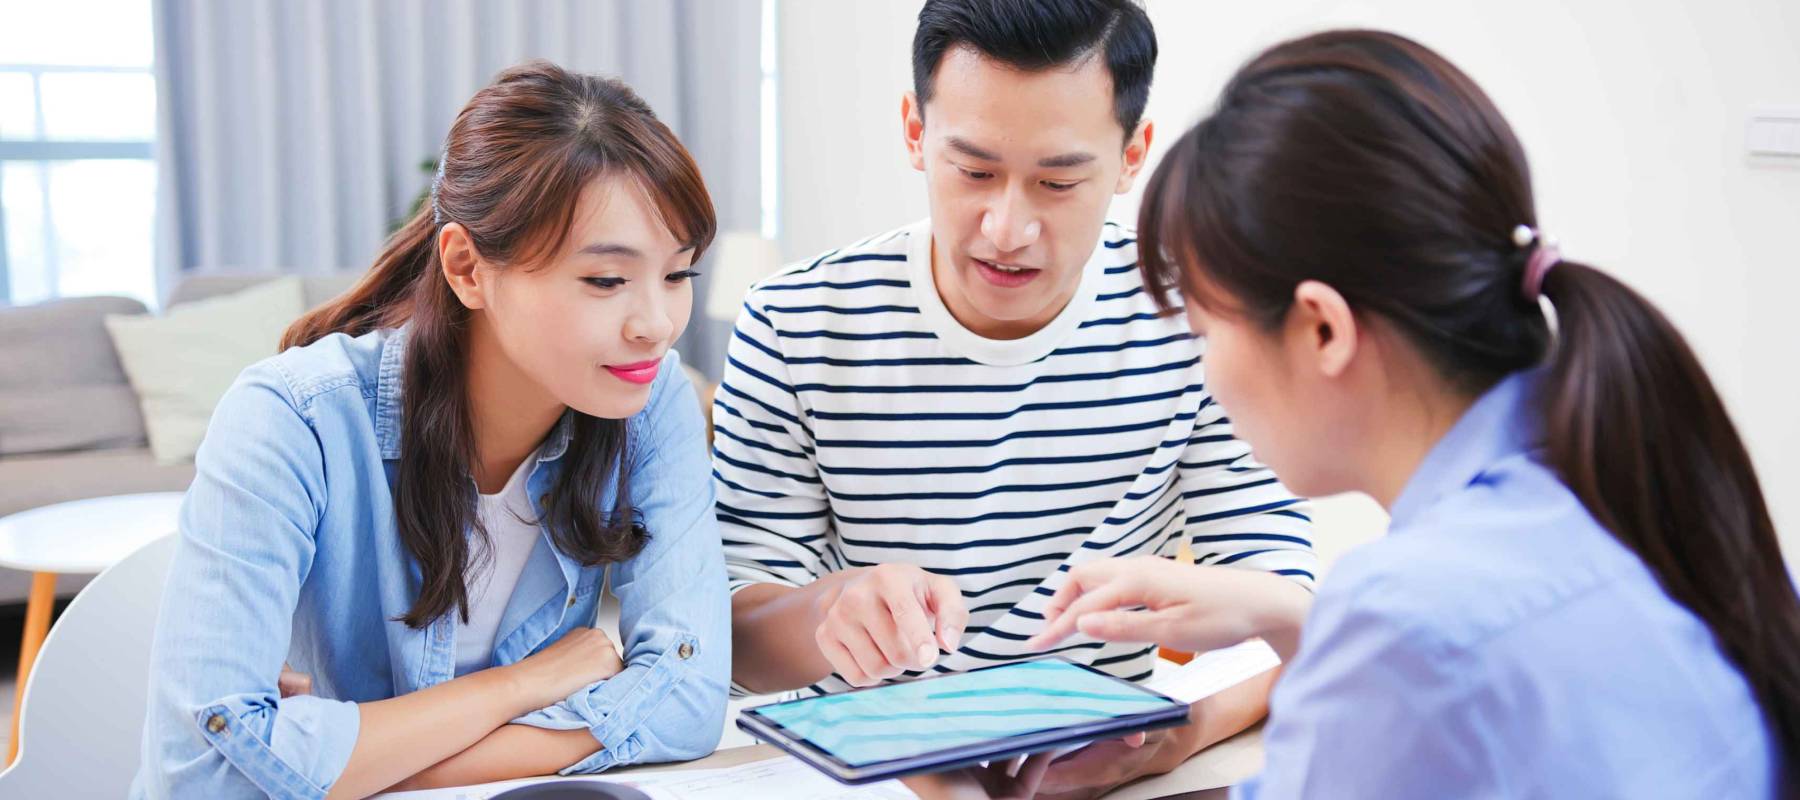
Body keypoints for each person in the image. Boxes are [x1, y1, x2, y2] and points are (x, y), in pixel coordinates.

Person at [1018, 29, 1796, 798]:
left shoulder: (1406, 627)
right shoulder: (1650, 486)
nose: (1206, 370)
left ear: (1323, 329)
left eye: (1205, 331)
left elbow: (1425, 674)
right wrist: (1291, 618)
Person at [714, 1, 1317, 794]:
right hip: (872, 779)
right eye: (973, 171)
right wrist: (832, 610)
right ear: (914, 132)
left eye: (1058, 181)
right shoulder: (796, 321)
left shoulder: (1199, 318)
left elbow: (1296, 618)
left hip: (1107, 776)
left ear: (1134, 153)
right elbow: (732, 646)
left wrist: (1171, 739)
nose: (1006, 228)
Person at [133, 62, 730, 799]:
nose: (657, 325)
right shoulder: (291, 419)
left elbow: (689, 701)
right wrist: (519, 687)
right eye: (606, 281)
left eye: (678, 276)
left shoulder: (650, 397)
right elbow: (209, 776)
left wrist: (343, 761)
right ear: (467, 268)